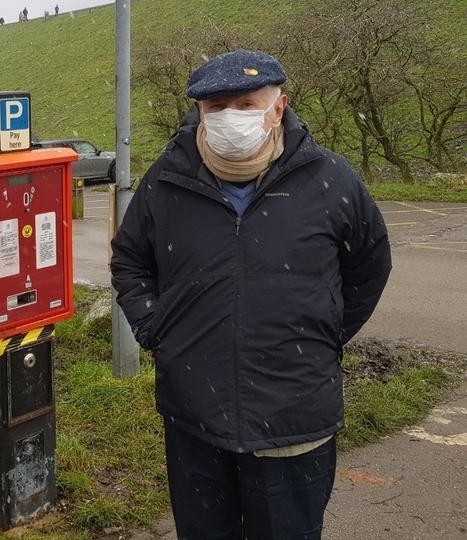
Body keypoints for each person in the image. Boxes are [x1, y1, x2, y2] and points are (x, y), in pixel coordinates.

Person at [111, 49, 392, 539]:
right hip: (194, 416)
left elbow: (369, 265)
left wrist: (324, 332)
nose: (229, 118)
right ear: (198, 111)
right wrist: (158, 330)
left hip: (293, 419)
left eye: (244, 103)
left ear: (277, 107)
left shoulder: (330, 179)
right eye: (215, 107)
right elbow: (130, 261)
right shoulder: (167, 179)